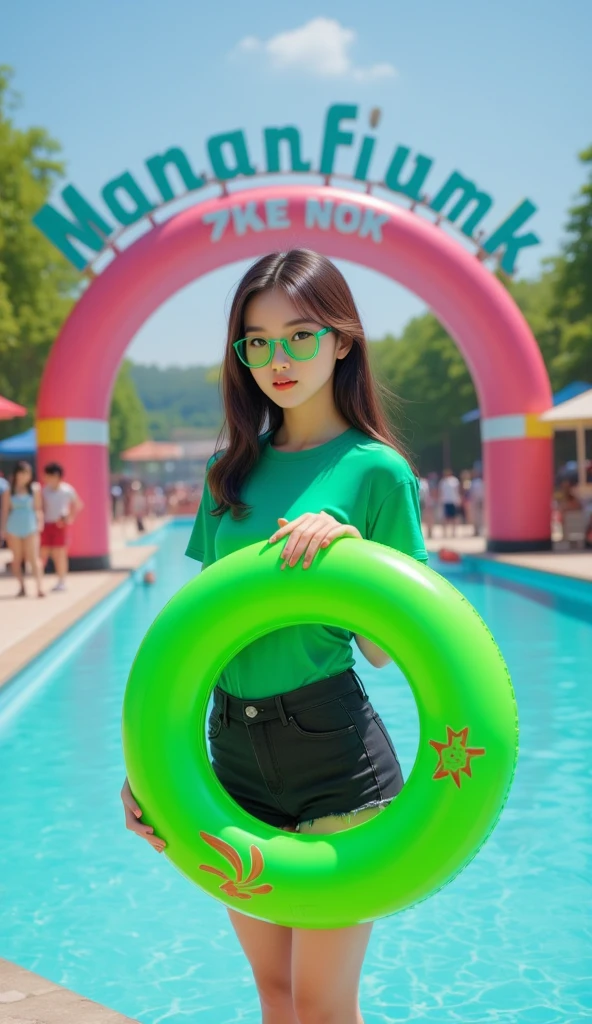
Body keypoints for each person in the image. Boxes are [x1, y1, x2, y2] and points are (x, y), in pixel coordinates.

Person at [121, 249, 429, 1024]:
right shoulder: (229, 473)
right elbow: (199, 639)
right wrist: (153, 773)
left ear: (343, 340)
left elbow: (389, 648)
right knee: (278, 994)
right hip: (231, 755)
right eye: (256, 341)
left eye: (298, 335)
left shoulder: (377, 474)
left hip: (332, 752)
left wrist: (349, 552)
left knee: (324, 1003)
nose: (277, 359)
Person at [0, 460, 45, 598]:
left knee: (33, 558)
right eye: (22, 473)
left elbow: (38, 508)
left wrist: (40, 522)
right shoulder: (9, 490)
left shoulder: (35, 489)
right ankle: (22, 586)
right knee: (17, 559)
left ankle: (39, 587)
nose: (24, 476)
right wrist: (3, 529)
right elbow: (5, 510)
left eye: (27, 473)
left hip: (30, 526)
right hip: (14, 526)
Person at [40, 462, 84, 592]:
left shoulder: (67, 490)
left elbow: (78, 504)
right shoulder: (44, 490)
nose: (47, 479)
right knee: (43, 553)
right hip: (46, 525)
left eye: (49, 475)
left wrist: (69, 518)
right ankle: (39, 581)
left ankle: (62, 581)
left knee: (60, 554)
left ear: (57, 476)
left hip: (60, 526)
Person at [439, 468, 461, 538]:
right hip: (446, 501)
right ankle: (445, 532)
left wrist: (458, 499)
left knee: (454, 517)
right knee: (446, 518)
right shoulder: (443, 482)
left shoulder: (455, 481)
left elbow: (457, 490)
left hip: (453, 500)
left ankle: (453, 532)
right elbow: (441, 491)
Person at [469, 468, 485, 537]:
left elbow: (472, 493)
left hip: (476, 501)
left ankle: (477, 530)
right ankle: (480, 530)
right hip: (481, 500)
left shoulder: (474, 482)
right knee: (480, 516)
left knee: (476, 517)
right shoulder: (482, 482)